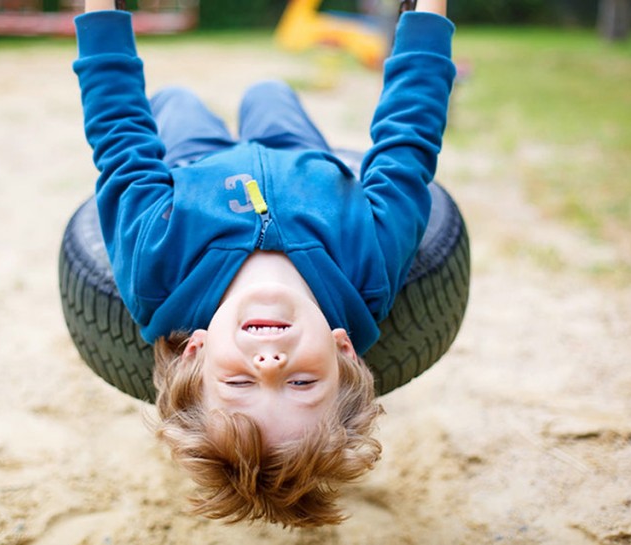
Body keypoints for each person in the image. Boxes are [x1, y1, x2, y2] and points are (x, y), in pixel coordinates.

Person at [73, 0, 455, 527]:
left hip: (191, 165)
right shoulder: (369, 268)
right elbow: (408, 144)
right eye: (302, 383)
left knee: (175, 101)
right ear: (343, 348)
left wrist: (100, 13)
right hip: (296, 154)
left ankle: (188, 107)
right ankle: (263, 99)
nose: (269, 366)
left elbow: (119, 140)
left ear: (196, 354)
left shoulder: (156, 270)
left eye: (238, 385)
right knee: (269, 91)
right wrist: (428, 15)